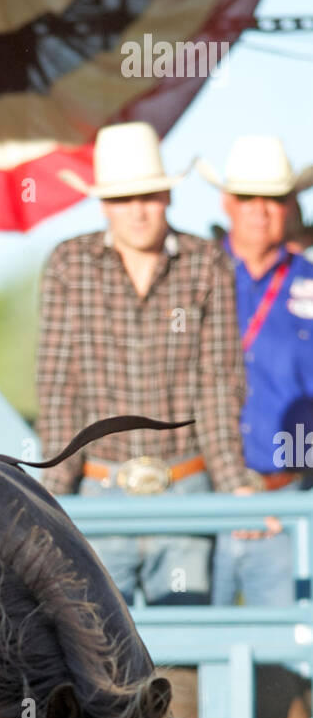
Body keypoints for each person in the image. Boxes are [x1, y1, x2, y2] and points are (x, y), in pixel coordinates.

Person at [37, 121, 252, 606]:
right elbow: (57, 387)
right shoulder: (69, 264)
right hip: (99, 488)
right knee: (96, 655)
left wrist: (234, 483)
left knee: (186, 648)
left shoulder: (205, 263)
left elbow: (218, 382)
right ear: (103, 204)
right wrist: (52, 489)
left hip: (185, 484)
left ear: (168, 197)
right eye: (122, 199)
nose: (137, 211)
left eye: (149, 196)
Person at [197, 136, 313, 606]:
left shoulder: (310, 279)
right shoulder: (192, 276)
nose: (261, 209)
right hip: (199, 496)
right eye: (248, 197)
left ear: (291, 205)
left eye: (275, 197)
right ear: (227, 201)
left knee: (291, 657)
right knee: (187, 660)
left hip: (288, 498)